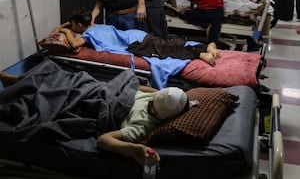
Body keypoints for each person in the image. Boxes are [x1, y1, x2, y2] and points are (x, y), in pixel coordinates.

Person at [0, 60, 195, 170]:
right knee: (56, 70)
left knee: (49, 96)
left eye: (153, 104)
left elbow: (104, 140)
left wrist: (133, 150)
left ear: (160, 115)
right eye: (155, 96)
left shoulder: (142, 125)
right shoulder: (159, 100)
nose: (151, 100)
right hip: (99, 90)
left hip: (96, 106)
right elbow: (140, 88)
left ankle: (20, 85)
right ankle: (18, 80)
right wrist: (135, 88)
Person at [54, 8, 221, 66]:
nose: (72, 28)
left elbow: (75, 45)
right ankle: (205, 47)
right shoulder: (96, 26)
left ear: (80, 25)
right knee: (167, 44)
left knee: (166, 51)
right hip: (136, 35)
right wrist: (68, 25)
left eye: (73, 24)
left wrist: (66, 30)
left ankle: (201, 54)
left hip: (134, 43)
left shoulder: (88, 33)